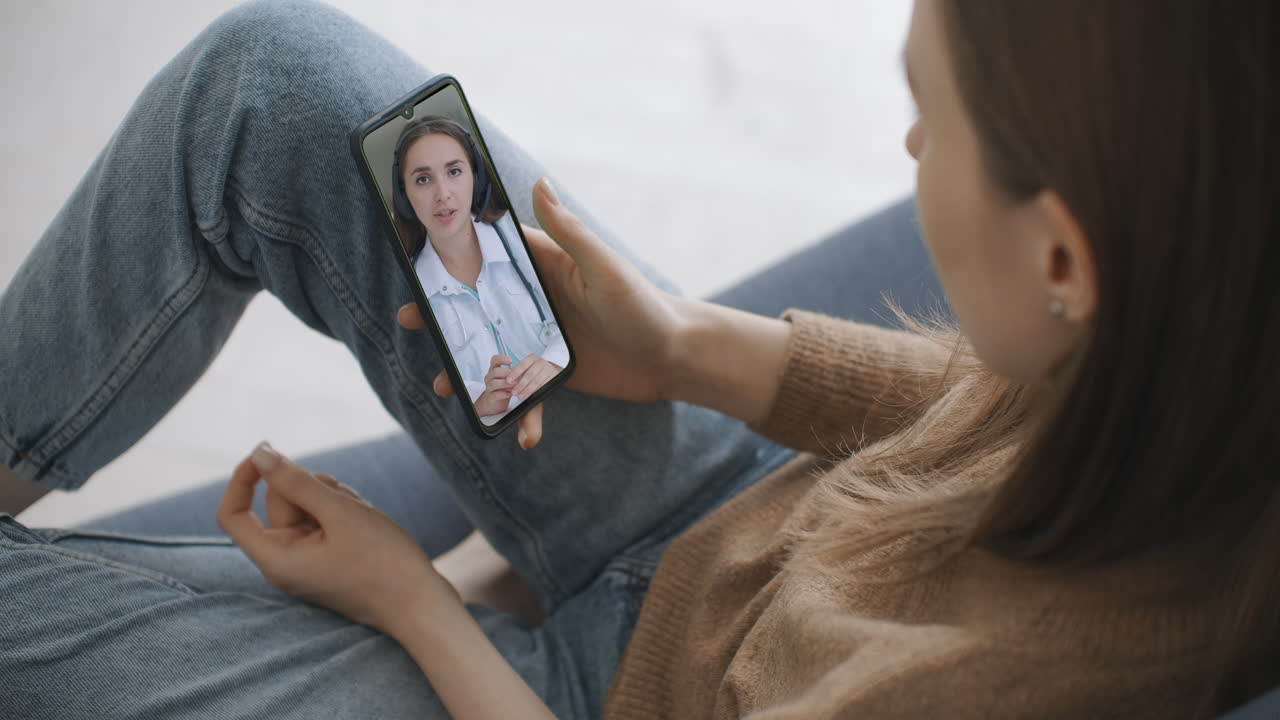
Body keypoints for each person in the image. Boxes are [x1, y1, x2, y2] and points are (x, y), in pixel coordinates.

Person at [0, 1, 1277, 719]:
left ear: (1061, 265)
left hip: (580, 701)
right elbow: (979, 396)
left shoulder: (975, 698)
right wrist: (679, 349)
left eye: (928, 121)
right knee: (272, 80)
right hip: (725, 514)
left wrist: (416, 599)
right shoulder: (1199, 345)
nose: (901, 147)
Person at [391, 115, 567, 419]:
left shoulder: (515, 235)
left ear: (476, 177)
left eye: (454, 171)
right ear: (405, 197)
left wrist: (552, 361)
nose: (442, 194)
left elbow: (569, 315)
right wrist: (479, 402)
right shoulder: (412, 287)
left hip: (570, 389)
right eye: (423, 179)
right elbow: (441, 386)